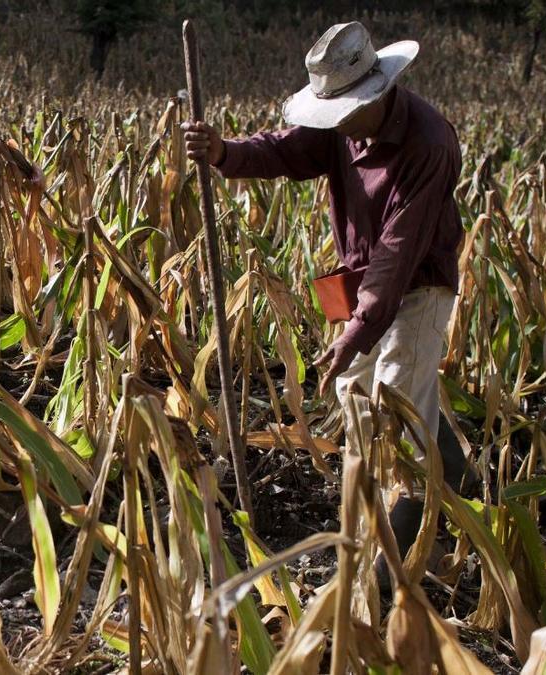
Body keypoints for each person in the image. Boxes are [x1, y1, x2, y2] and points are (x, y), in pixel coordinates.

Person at [182, 21, 466, 586]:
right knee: (356, 396)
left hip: (417, 287)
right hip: (364, 285)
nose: (333, 123)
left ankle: (395, 563)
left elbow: (397, 251)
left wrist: (357, 328)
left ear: (379, 92)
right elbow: (287, 150)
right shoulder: (343, 125)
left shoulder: (429, 143)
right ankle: (455, 475)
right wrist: (224, 153)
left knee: (396, 405)